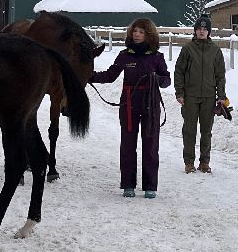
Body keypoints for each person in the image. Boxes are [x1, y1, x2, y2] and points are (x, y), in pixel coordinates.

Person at [91, 17, 170, 198]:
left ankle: (150, 186)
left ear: (148, 34)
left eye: (141, 32)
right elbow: (110, 75)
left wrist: (157, 79)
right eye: (135, 31)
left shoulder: (157, 57)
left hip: (150, 104)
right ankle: (128, 184)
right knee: (127, 144)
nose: (137, 34)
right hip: (129, 103)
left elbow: (167, 80)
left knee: (150, 145)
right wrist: (88, 76)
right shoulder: (125, 55)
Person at [174, 14, 228, 174]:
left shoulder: (216, 51)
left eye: (205, 29)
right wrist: (179, 92)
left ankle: (204, 162)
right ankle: (189, 162)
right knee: (189, 130)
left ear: (209, 32)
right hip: (190, 97)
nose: (202, 31)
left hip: (209, 97)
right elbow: (179, 72)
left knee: (206, 131)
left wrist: (221, 96)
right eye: (199, 29)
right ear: (195, 31)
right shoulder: (187, 49)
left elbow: (220, 75)